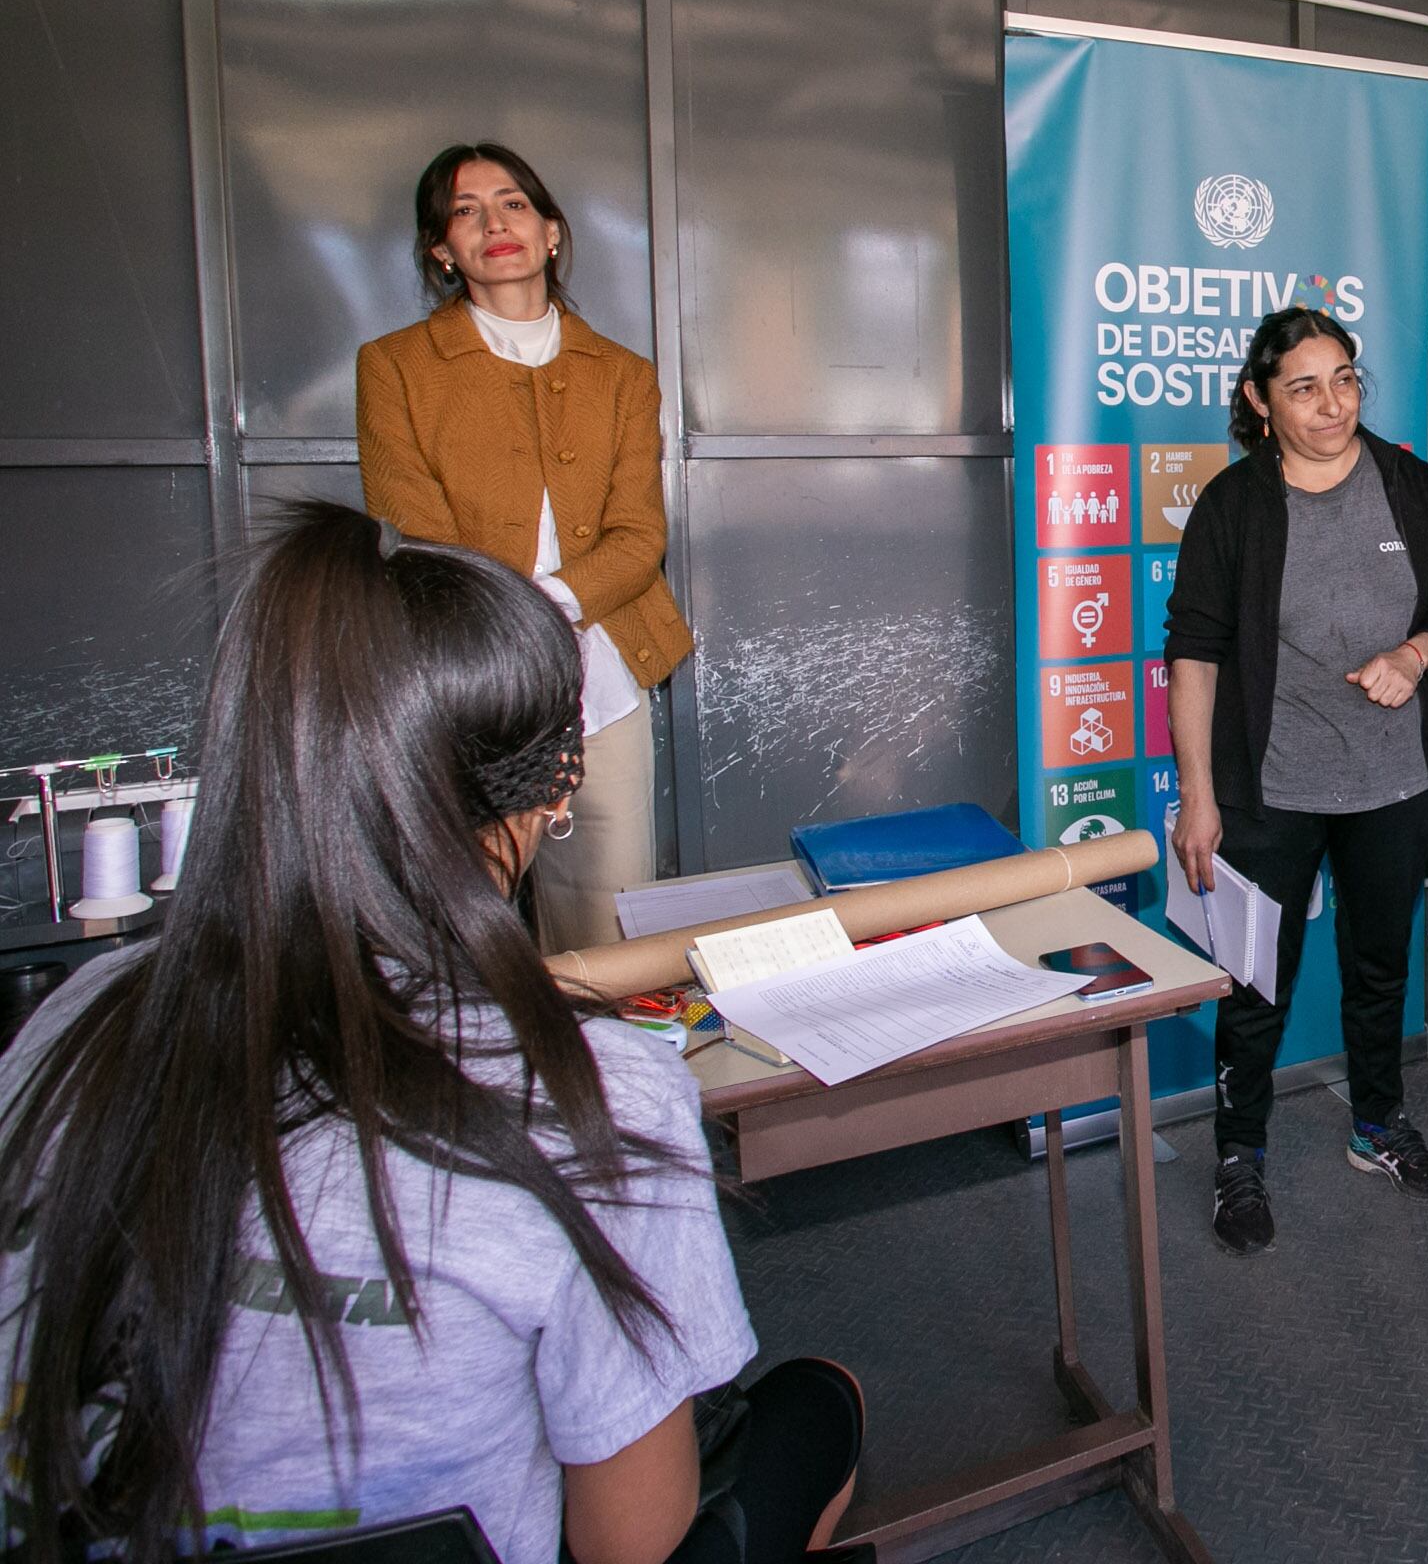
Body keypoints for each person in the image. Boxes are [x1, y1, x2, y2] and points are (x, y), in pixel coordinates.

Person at [0, 504, 859, 1564]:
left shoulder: (66, 1030)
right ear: (557, 786)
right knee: (823, 1403)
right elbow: (631, 1542)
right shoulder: (598, 1093)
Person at [1165, 306, 1428, 1256]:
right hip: (1272, 787)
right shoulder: (1234, 507)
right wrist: (1199, 794)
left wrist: (1416, 653)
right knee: (1254, 982)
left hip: (1396, 782)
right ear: (1260, 402)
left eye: (1344, 379)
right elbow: (1195, 653)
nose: (1331, 403)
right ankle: (1239, 1153)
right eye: (1303, 386)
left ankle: (1377, 1126)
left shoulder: (1406, 482)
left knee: (1381, 964)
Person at [357, 143, 690, 954]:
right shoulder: (394, 367)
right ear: (442, 249)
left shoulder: (621, 374)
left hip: (604, 675)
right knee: (457, 922)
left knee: (609, 926)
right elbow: (414, 535)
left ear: (550, 233)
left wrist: (556, 606)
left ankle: (608, 1076)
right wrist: (515, 622)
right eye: (464, 211)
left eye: (512, 203)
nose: (491, 223)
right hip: (468, 684)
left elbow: (639, 535)